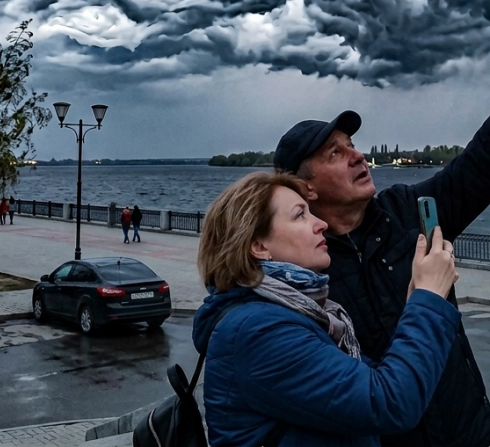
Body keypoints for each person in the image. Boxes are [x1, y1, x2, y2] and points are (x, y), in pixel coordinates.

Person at [272, 0, 490, 447]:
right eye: (335, 153)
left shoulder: (410, 212)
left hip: (463, 435)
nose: (358, 155)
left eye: (352, 143)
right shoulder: (297, 270)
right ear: (307, 188)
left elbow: (486, 159)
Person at [194, 171, 461, 447]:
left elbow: (369, 382)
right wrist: (429, 300)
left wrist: (417, 299)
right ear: (258, 246)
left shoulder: (293, 311)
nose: (321, 223)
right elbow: (390, 402)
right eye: (300, 215)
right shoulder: (257, 331)